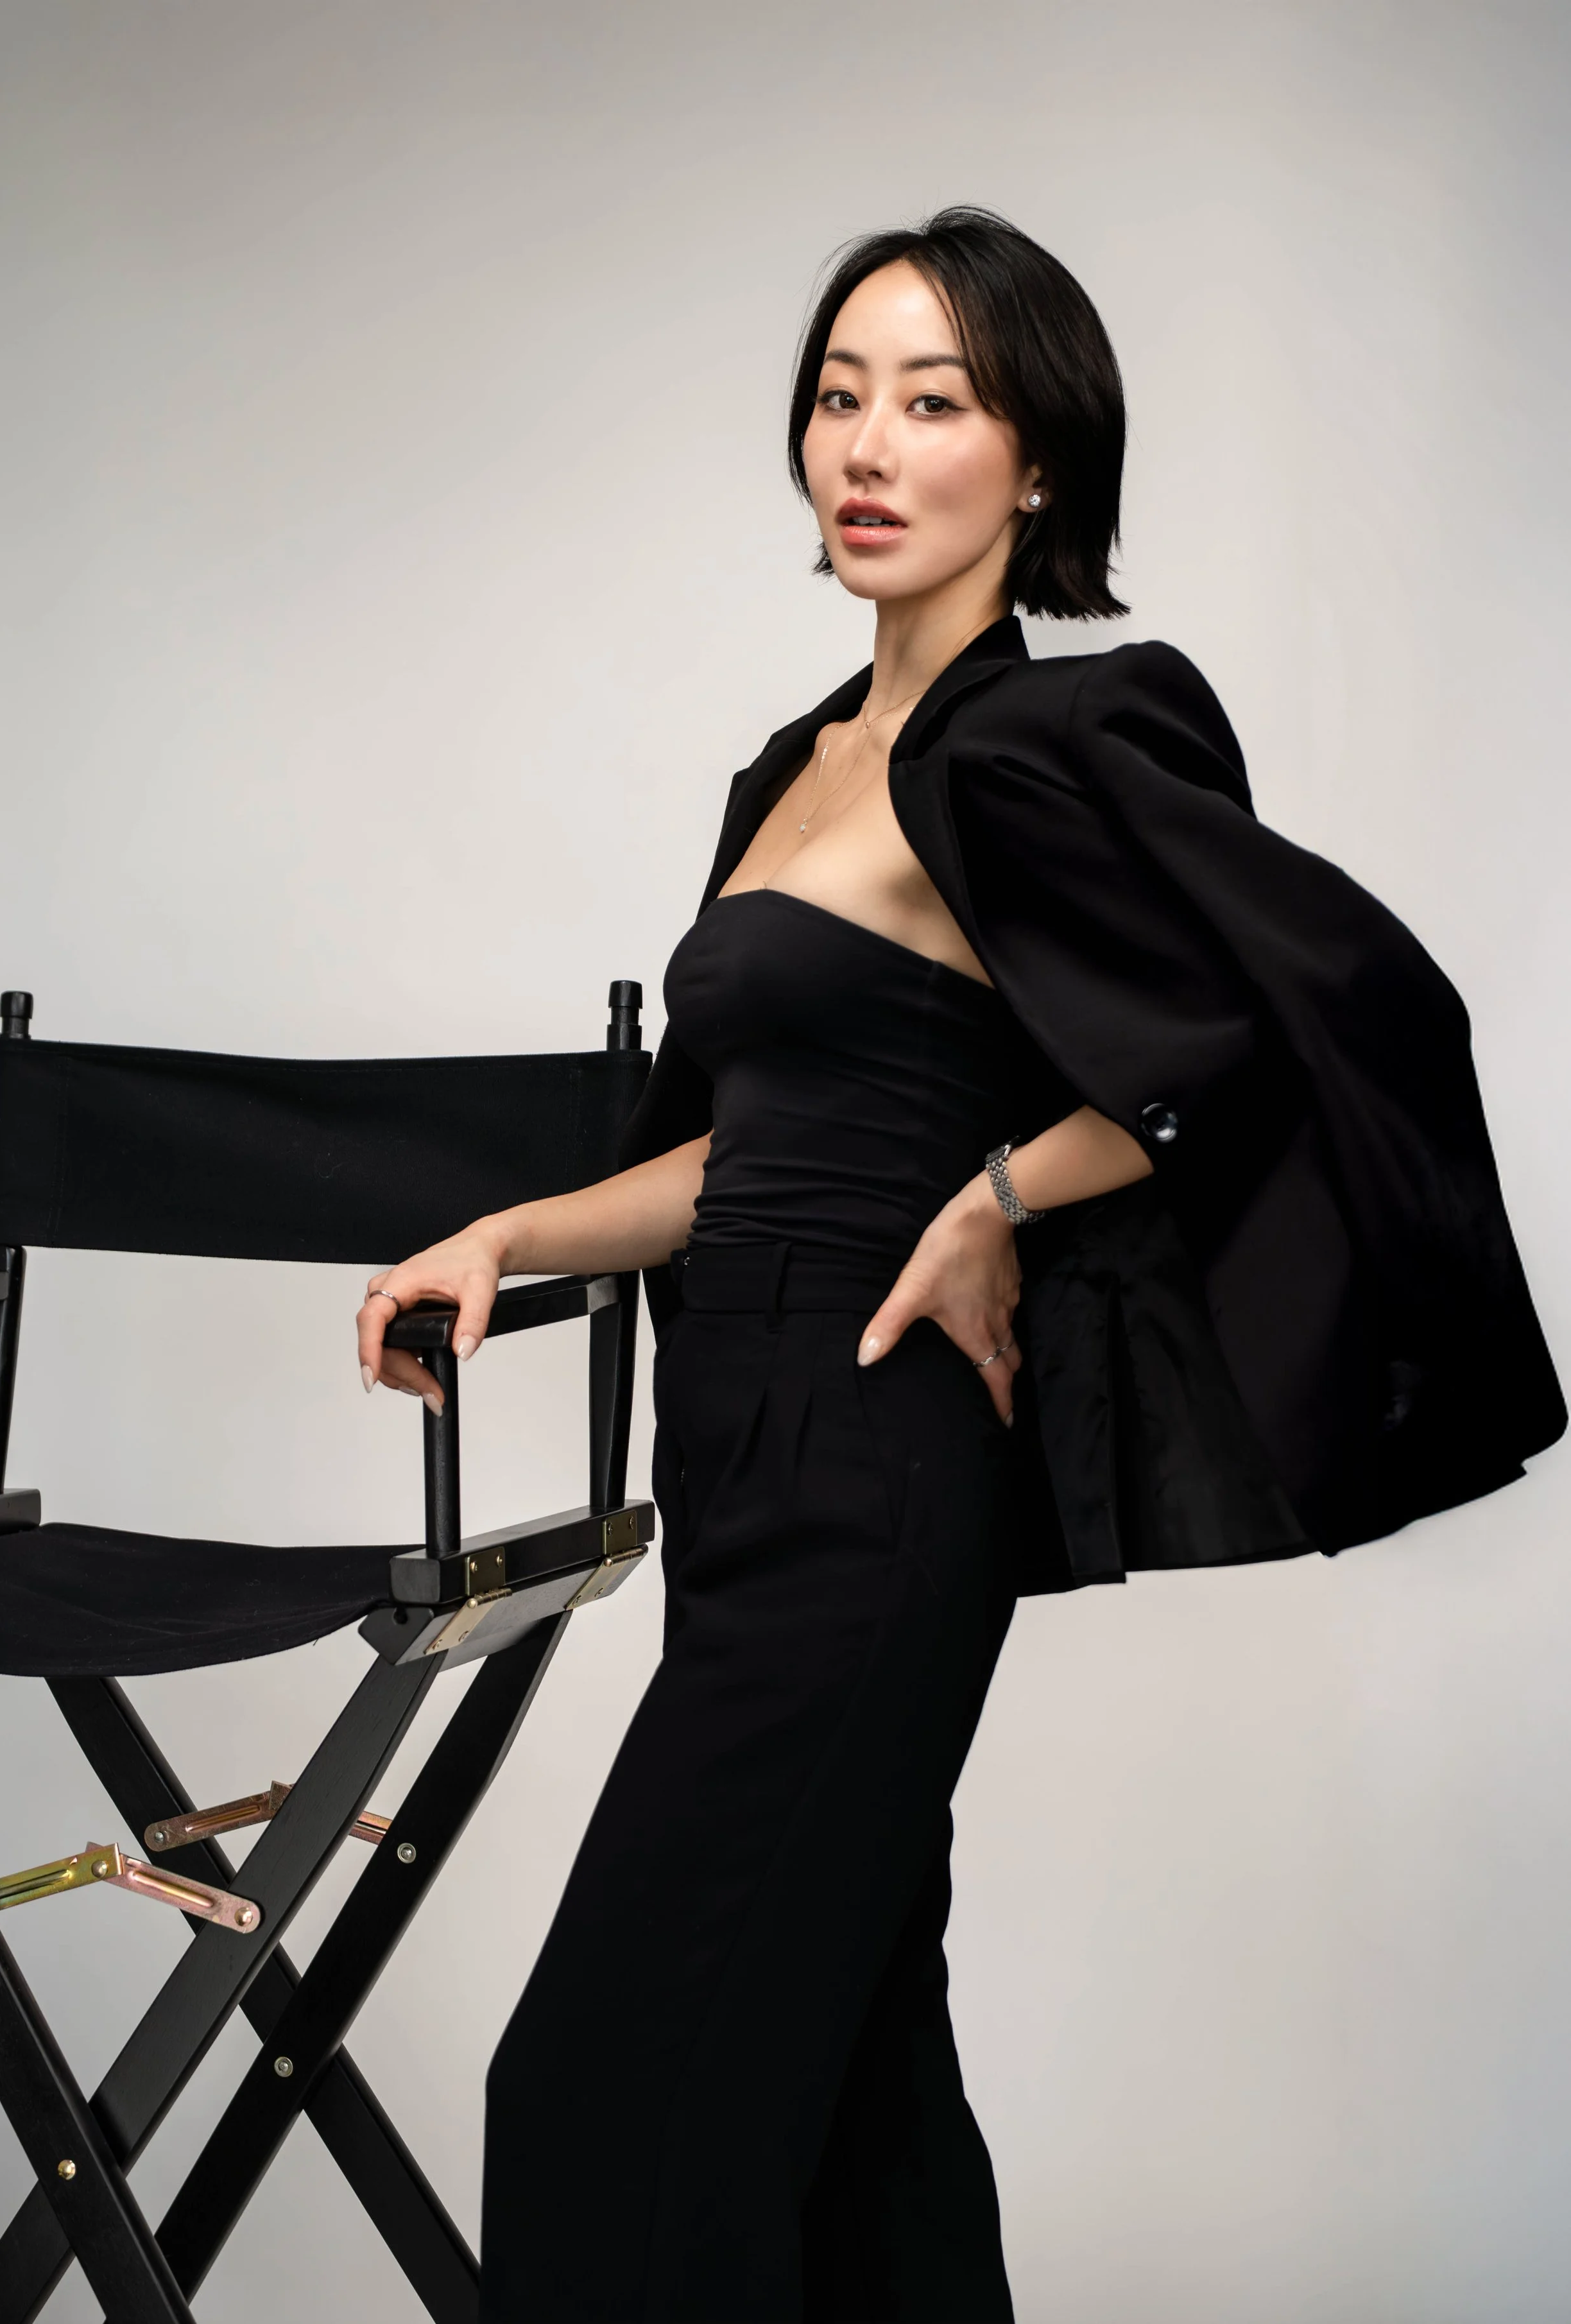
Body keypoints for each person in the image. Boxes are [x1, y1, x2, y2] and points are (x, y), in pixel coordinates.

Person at [355, 208, 1563, 2323]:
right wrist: (511, 1232)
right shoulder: (790, 763)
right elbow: (747, 1155)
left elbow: (1280, 1030)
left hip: (879, 1469)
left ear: (1039, 465)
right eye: (839, 395)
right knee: (854, 2115)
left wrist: (999, 1197)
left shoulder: (1058, 735)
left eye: (934, 400)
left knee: (604, 2087)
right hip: (739, 1464)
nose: (870, 443)